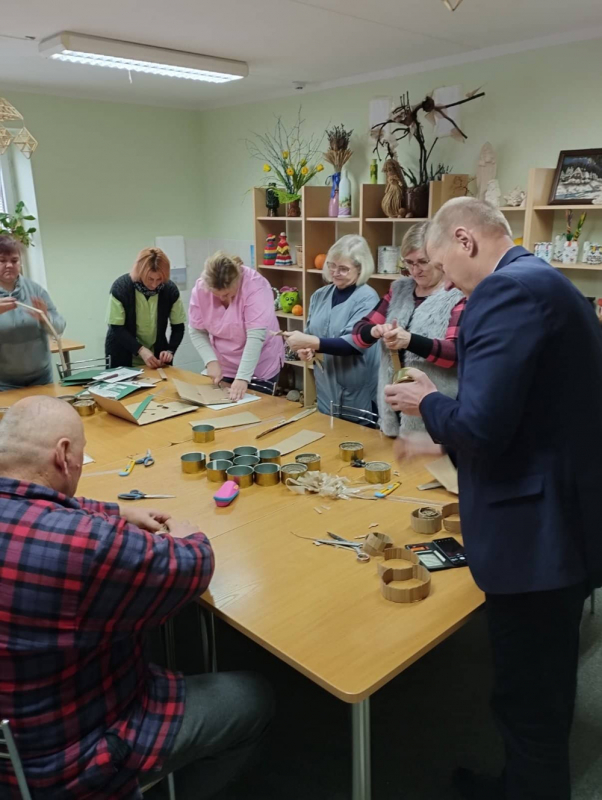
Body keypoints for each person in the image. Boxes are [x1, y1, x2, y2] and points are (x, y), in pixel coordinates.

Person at [384, 198, 602, 800]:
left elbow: (482, 426)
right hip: (564, 520)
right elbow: (525, 411)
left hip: (537, 541)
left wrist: (428, 401)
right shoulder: (545, 281)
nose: (446, 281)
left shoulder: (502, 295)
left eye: (441, 265)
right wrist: (439, 443)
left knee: (529, 697)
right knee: (539, 689)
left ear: (465, 239)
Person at [0, 396, 273, 799]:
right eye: (80, 455)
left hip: (14, 743)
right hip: (69, 759)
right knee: (252, 698)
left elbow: (47, 504)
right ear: (63, 455)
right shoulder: (81, 546)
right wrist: (189, 534)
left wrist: (116, 512)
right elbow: (191, 566)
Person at [351, 222, 465, 436]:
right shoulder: (400, 289)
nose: (415, 270)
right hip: (391, 411)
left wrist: (410, 340)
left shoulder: (457, 294)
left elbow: (456, 353)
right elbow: (359, 333)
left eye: (423, 262)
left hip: (432, 415)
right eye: (409, 263)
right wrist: (374, 331)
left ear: (440, 258)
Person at [282, 235, 380, 420]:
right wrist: (307, 349)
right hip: (327, 390)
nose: (335, 272)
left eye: (343, 269)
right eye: (331, 265)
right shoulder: (320, 295)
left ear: (361, 268)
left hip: (358, 393)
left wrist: (310, 341)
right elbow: (312, 334)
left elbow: (352, 344)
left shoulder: (368, 299)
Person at [188, 252, 284, 402]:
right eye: (216, 294)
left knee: (258, 412)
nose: (222, 298)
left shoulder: (255, 286)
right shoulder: (201, 288)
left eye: (227, 294)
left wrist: (243, 378)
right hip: (224, 364)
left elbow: (255, 337)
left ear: (237, 282)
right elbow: (196, 330)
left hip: (259, 364)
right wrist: (211, 361)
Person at [0, 235, 66, 391]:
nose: (9, 265)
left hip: (42, 378)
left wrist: (45, 318)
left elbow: (59, 327)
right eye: (2, 260)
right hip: (4, 383)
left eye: (14, 260)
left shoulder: (35, 290)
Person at [105, 247, 186, 370]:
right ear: (140, 273)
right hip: (122, 355)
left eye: (159, 279)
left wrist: (170, 350)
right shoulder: (121, 288)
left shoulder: (170, 290)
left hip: (155, 359)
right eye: (150, 279)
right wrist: (141, 350)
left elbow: (178, 326)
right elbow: (116, 327)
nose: (154, 284)